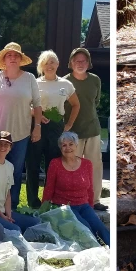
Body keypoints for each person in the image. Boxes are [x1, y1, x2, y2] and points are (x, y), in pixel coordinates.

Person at [24, 50, 79, 209]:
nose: (50, 65)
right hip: (36, 126)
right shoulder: (34, 82)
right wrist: (37, 116)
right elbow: (26, 105)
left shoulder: (66, 84)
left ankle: (49, 201)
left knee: (53, 165)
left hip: (57, 127)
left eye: (53, 62)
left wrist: (68, 126)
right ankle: (33, 202)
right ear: (41, 65)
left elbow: (76, 105)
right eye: (46, 62)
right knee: (32, 164)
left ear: (58, 64)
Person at [0, 42, 43, 210]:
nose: (12, 58)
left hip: (20, 133)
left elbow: (37, 104)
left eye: (16, 55)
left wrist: (37, 127)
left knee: (15, 171)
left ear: (20, 59)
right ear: (4, 59)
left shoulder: (29, 78)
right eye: (9, 55)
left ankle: (11, 206)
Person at [41, 132, 110, 246]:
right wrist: (44, 209)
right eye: (64, 145)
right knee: (85, 229)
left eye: (71, 144)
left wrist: (91, 208)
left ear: (76, 146)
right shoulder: (55, 164)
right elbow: (49, 188)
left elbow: (90, 189)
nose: (68, 148)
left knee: (101, 228)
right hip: (65, 207)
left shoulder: (86, 164)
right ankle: (97, 251)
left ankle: (113, 253)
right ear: (60, 148)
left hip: (84, 205)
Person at [64, 48, 107, 211]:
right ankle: (71, 199)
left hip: (93, 129)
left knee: (95, 165)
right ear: (71, 63)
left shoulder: (95, 80)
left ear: (88, 63)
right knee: (71, 166)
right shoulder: (65, 82)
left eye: (83, 61)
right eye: (77, 61)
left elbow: (95, 102)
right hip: (72, 132)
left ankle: (95, 200)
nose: (80, 64)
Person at [0, 131, 41, 233]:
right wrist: (2, 216)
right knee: (15, 230)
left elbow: (8, 194)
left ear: (10, 147)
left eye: (6, 144)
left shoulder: (10, 166)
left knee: (36, 223)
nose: (3, 147)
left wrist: (8, 214)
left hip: (4, 212)